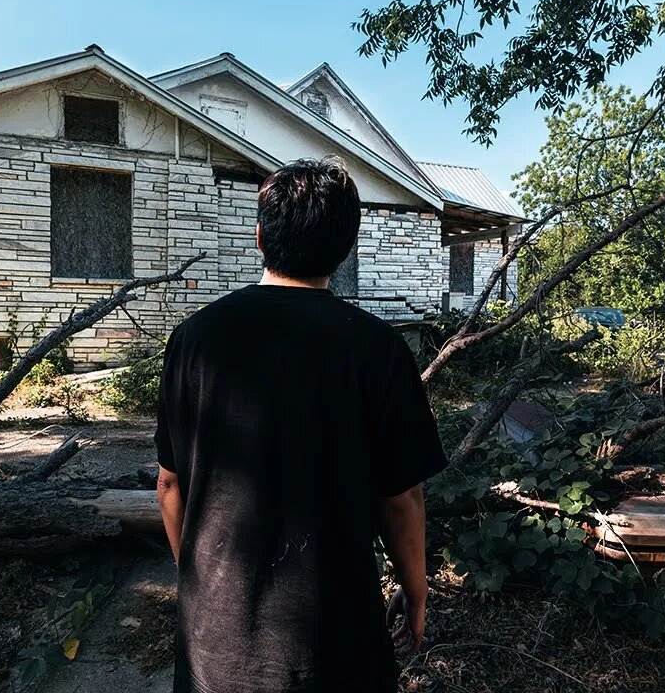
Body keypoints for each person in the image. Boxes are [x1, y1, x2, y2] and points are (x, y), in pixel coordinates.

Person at [154, 156, 447, 693]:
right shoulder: (378, 349)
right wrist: (415, 593)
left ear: (261, 238)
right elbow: (401, 498)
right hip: (337, 644)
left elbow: (170, 484)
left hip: (213, 648)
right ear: (347, 246)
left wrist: (197, 583)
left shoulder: (193, 341)